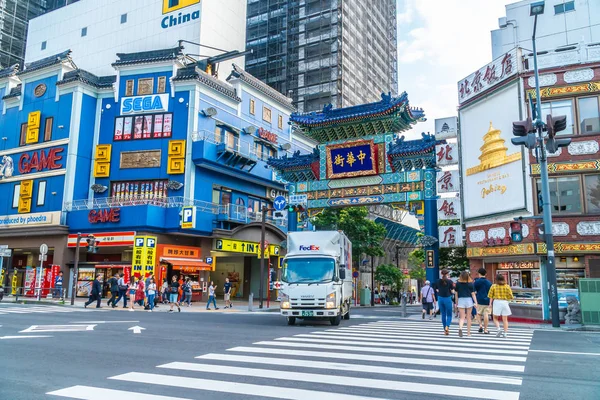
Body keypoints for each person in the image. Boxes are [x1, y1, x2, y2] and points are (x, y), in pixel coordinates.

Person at [488, 274, 514, 338]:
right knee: (505, 319)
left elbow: (490, 296)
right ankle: (505, 333)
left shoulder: (493, 286)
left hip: (496, 302)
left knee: (495, 318)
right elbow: (511, 296)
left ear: (496, 280)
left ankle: (499, 329)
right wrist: (506, 298)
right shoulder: (507, 286)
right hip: (504, 302)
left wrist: (490, 304)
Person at [455, 270, 478, 337]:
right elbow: (473, 294)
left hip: (460, 300)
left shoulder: (458, 284)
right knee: (468, 317)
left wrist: (456, 303)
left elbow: (456, 294)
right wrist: (476, 302)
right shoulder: (470, 284)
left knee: (462, 317)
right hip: (468, 300)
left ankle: (460, 328)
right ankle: (468, 333)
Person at [435, 269, 455, 335]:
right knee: (449, 315)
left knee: (443, 314)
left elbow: (437, 290)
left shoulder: (438, 281)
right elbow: (452, 291)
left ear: (441, 274)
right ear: (447, 274)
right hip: (447, 298)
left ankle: (444, 329)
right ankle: (447, 326)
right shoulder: (450, 281)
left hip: (440, 298)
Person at [474, 267, 493, 334]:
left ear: (479, 274)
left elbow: (474, 291)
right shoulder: (489, 283)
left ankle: (480, 325)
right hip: (487, 300)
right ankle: (486, 329)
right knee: (486, 314)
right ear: (486, 274)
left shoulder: (476, 282)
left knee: (478, 314)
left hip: (479, 299)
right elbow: (491, 293)